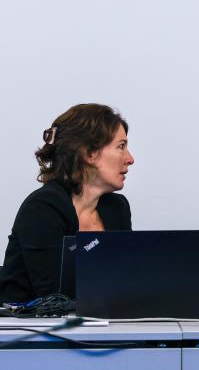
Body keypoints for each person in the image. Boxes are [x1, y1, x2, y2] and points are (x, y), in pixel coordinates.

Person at [0, 104, 135, 303]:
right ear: (89, 154)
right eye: (121, 146)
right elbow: (54, 298)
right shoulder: (43, 208)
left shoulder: (117, 208)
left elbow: (129, 281)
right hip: (36, 330)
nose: (130, 159)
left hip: (99, 326)